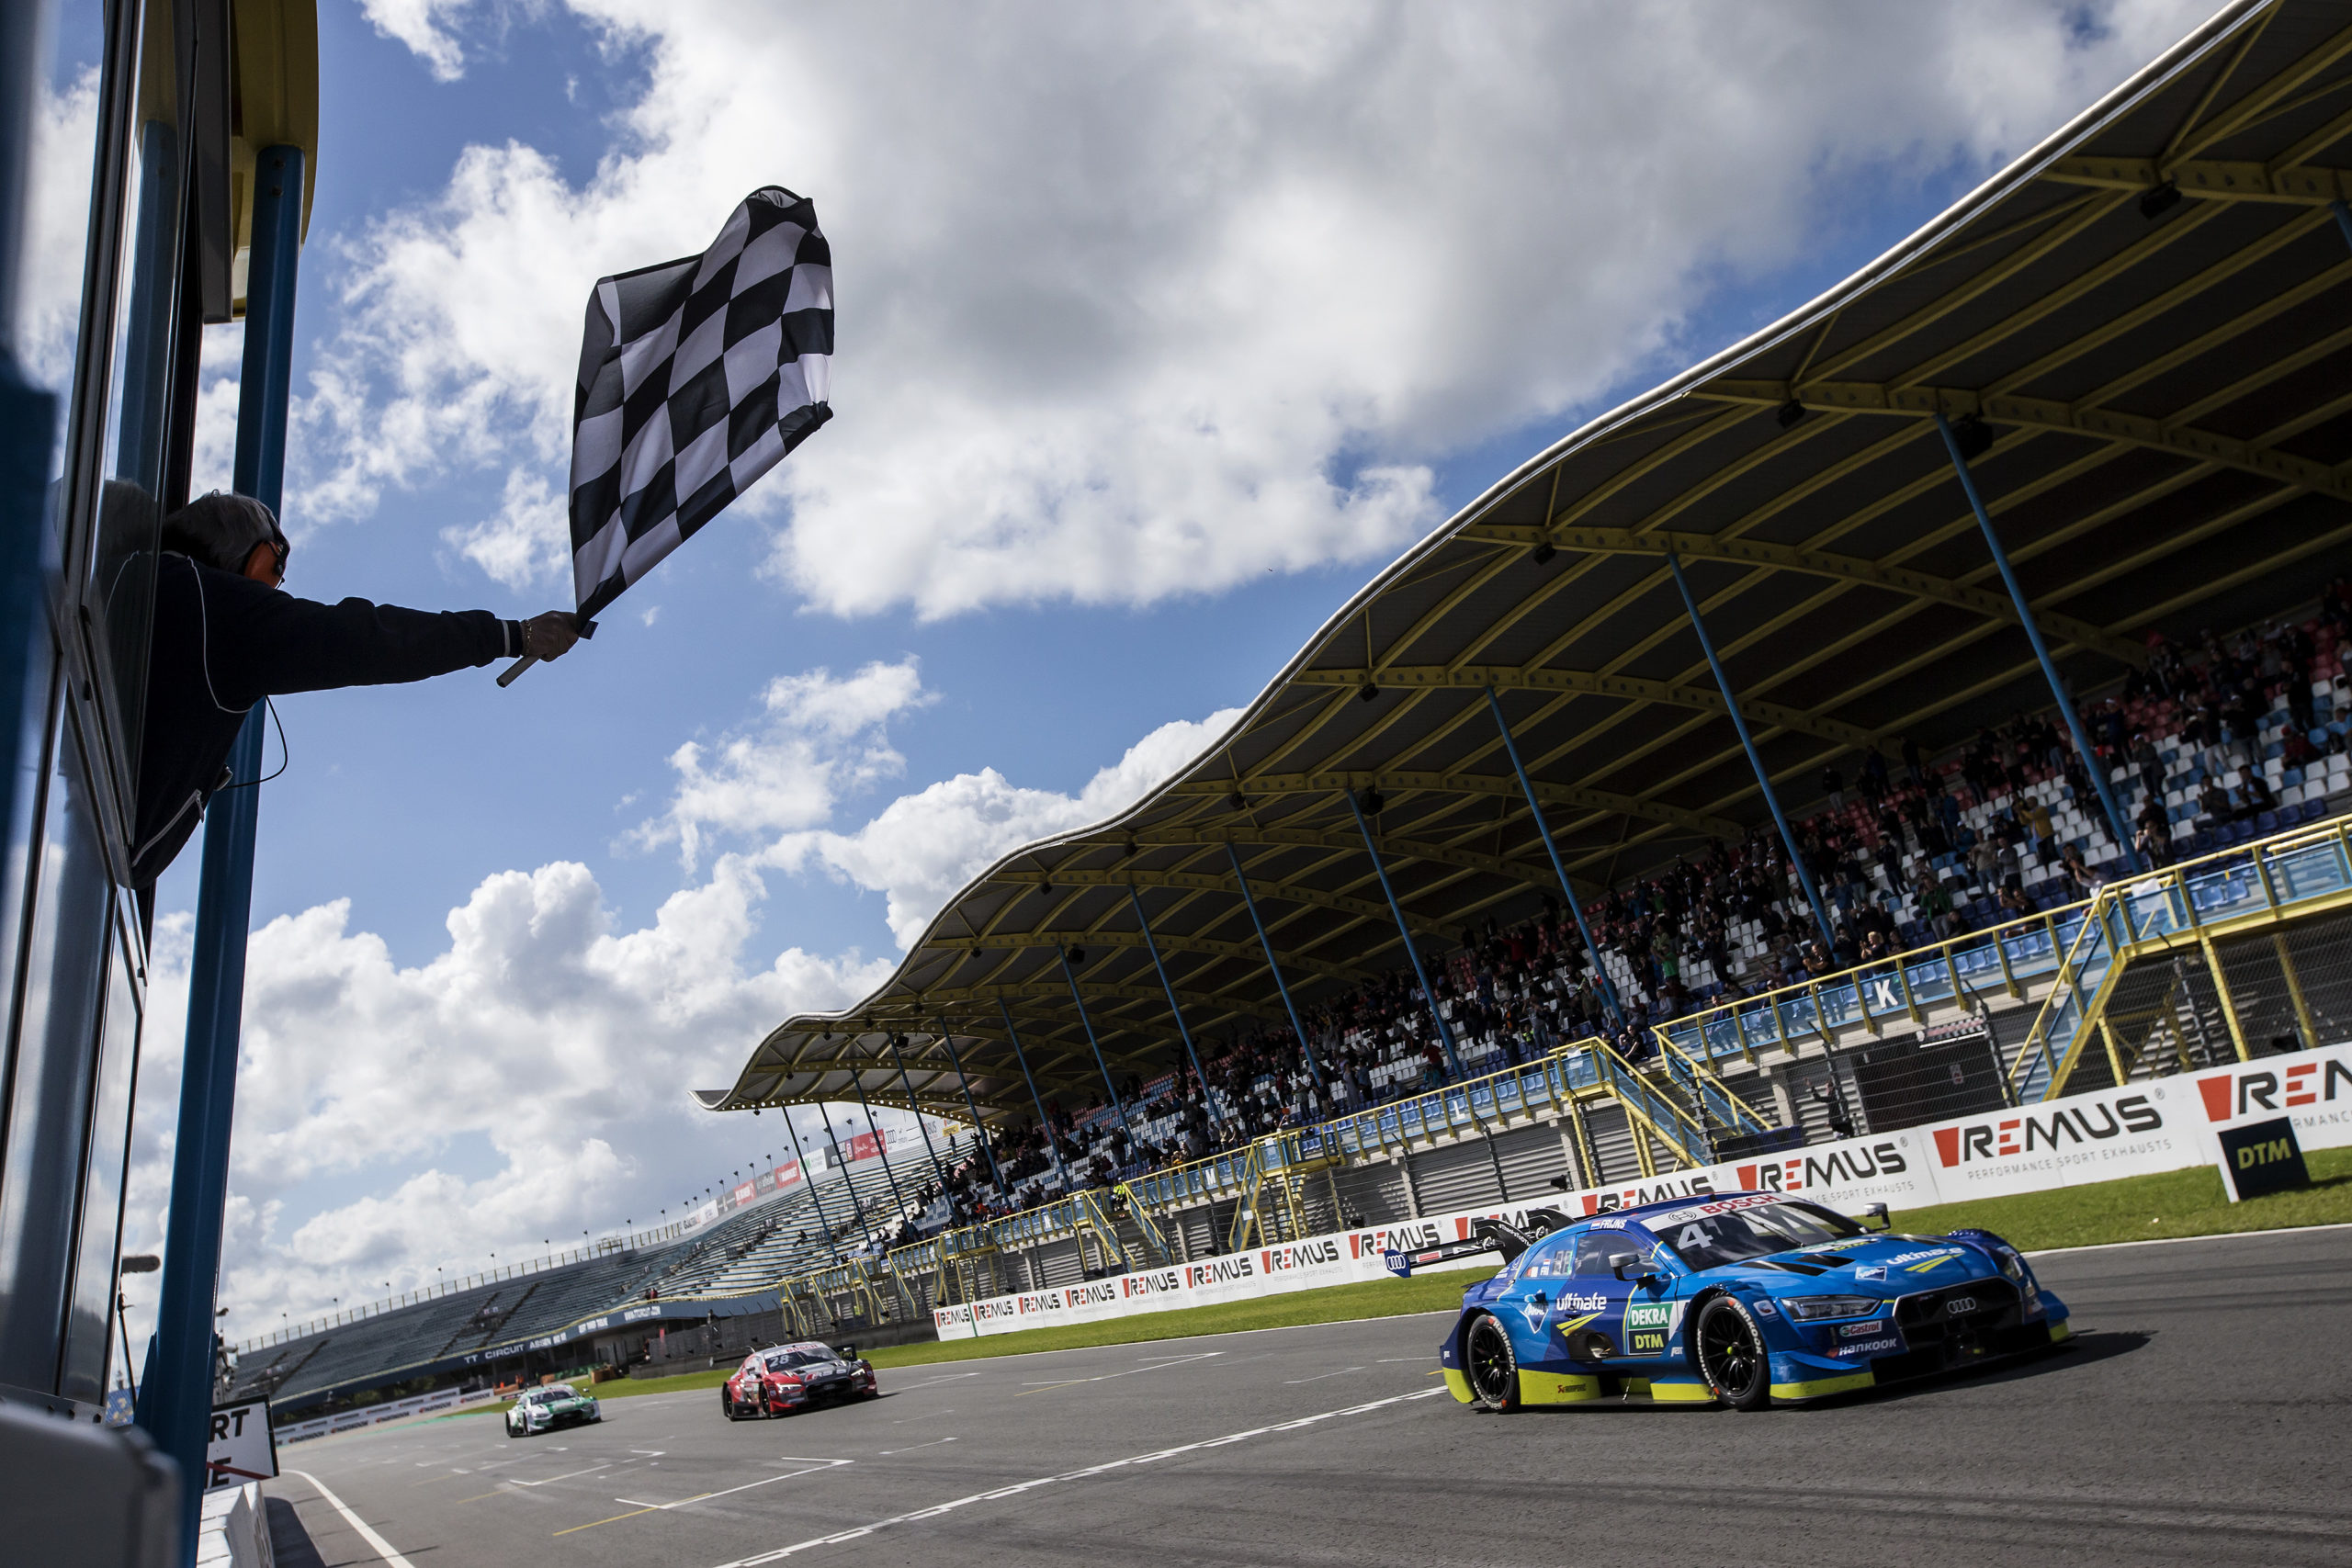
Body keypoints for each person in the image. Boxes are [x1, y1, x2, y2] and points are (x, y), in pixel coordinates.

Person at [132, 491, 582, 893]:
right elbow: (368, 639)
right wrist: (514, 635)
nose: (271, 593)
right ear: (257, 559)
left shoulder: (140, 581)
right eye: (274, 575)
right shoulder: (219, 609)